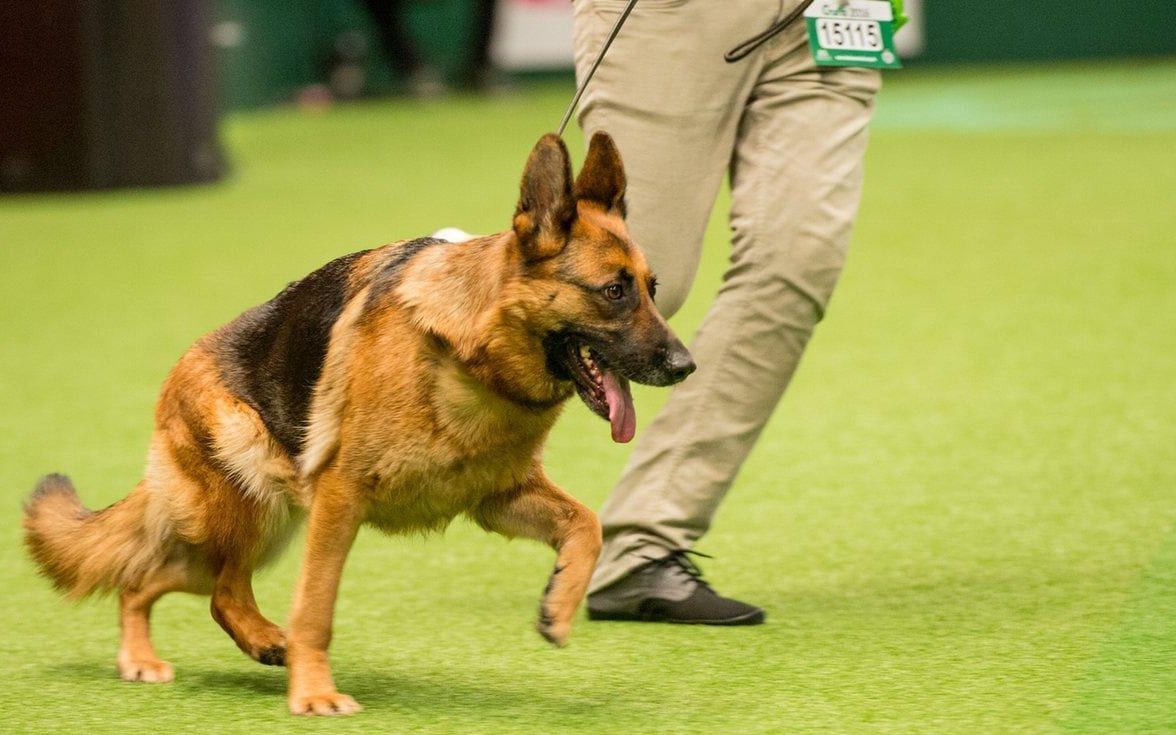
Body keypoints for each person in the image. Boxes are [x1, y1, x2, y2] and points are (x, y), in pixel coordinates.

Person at [571, 0, 885, 624]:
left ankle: (641, 546)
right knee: (633, 285)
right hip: (673, 14)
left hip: (830, 18)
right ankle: (444, 288)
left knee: (797, 259)